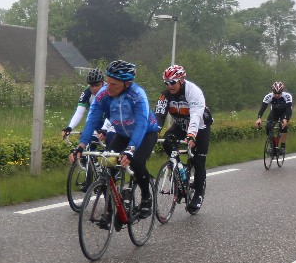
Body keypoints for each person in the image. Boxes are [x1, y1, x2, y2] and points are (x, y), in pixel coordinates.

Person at [71, 59, 160, 215]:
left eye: (114, 85)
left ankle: (146, 198)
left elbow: (141, 124)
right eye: (108, 82)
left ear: (127, 83)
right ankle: (111, 209)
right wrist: (81, 145)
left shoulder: (138, 95)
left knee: (137, 162)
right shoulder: (103, 94)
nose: (109, 88)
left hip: (145, 134)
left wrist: (131, 149)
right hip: (122, 134)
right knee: (106, 166)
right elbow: (92, 120)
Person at [154, 63, 211, 214]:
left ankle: (198, 194)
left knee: (199, 161)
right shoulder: (166, 94)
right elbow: (159, 114)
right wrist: (154, 131)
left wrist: (192, 135)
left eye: (172, 82)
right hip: (180, 126)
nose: (169, 86)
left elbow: (196, 116)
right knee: (167, 142)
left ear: (181, 80)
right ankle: (180, 170)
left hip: (200, 127)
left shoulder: (193, 92)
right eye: (166, 83)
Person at [62, 68, 106, 139]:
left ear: (103, 83)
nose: (94, 88)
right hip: (96, 120)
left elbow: (114, 113)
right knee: (89, 139)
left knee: (110, 139)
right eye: (92, 85)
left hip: (112, 120)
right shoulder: (86, 92)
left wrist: (105, 129)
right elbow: (79, 112)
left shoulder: (110, 90)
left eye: (97, 85)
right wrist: (69, 128)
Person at [255, 81, 294, 152]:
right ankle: (272, 146)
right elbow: (263, 108)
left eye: (279, 93)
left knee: (283, 126)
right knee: (268, 126)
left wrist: (286, 119)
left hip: (285, 112)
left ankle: (283, 147)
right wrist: (259, 118)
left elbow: (289, 108)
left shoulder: (287, 96)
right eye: (275, 93)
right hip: (274, 112)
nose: (277, 95)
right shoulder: (268, 96)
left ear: (282, 91)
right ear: (272, 91)